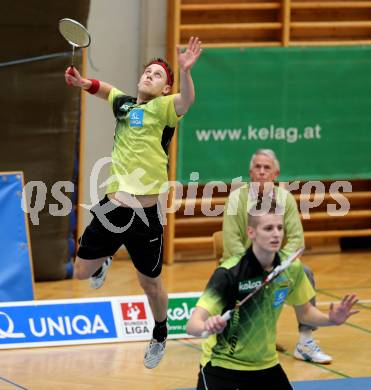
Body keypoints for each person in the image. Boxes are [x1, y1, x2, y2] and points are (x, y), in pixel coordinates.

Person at [64, 37, 202, 369]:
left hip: (146, 215)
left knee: (150, 283)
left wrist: (184, 71)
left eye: (157, 75)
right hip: (112, 209)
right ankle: (106, 257)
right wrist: (85, 83)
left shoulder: (164, 109)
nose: (149, 76)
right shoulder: (125, 106)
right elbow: (107, 91)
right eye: (148, 72)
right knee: (82, 272)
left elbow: (186, 101)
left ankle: (159, 332)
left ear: (165, 87)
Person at [187, 200, 358, 389]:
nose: (276, 234)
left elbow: (305, 313)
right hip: (222, 365)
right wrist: (207, 325)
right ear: (251, 233)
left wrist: (331, 319)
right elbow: (192, 325)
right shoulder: (229, 273)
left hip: (265, 366)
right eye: (268, 228)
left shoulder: (290, 268)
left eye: (279, 227)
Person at [221, 148, 332, 363]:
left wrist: (276, 265)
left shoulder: (286, 199)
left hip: (276, 265)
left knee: (304, 273)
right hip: (241, 265)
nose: (262, 172)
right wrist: (254, 266)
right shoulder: (235, 199)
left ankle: (305, 343)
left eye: (267, 168)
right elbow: (231, 242)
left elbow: (297, 241)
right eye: (257, 167)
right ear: (250, 172)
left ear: (276, 173)